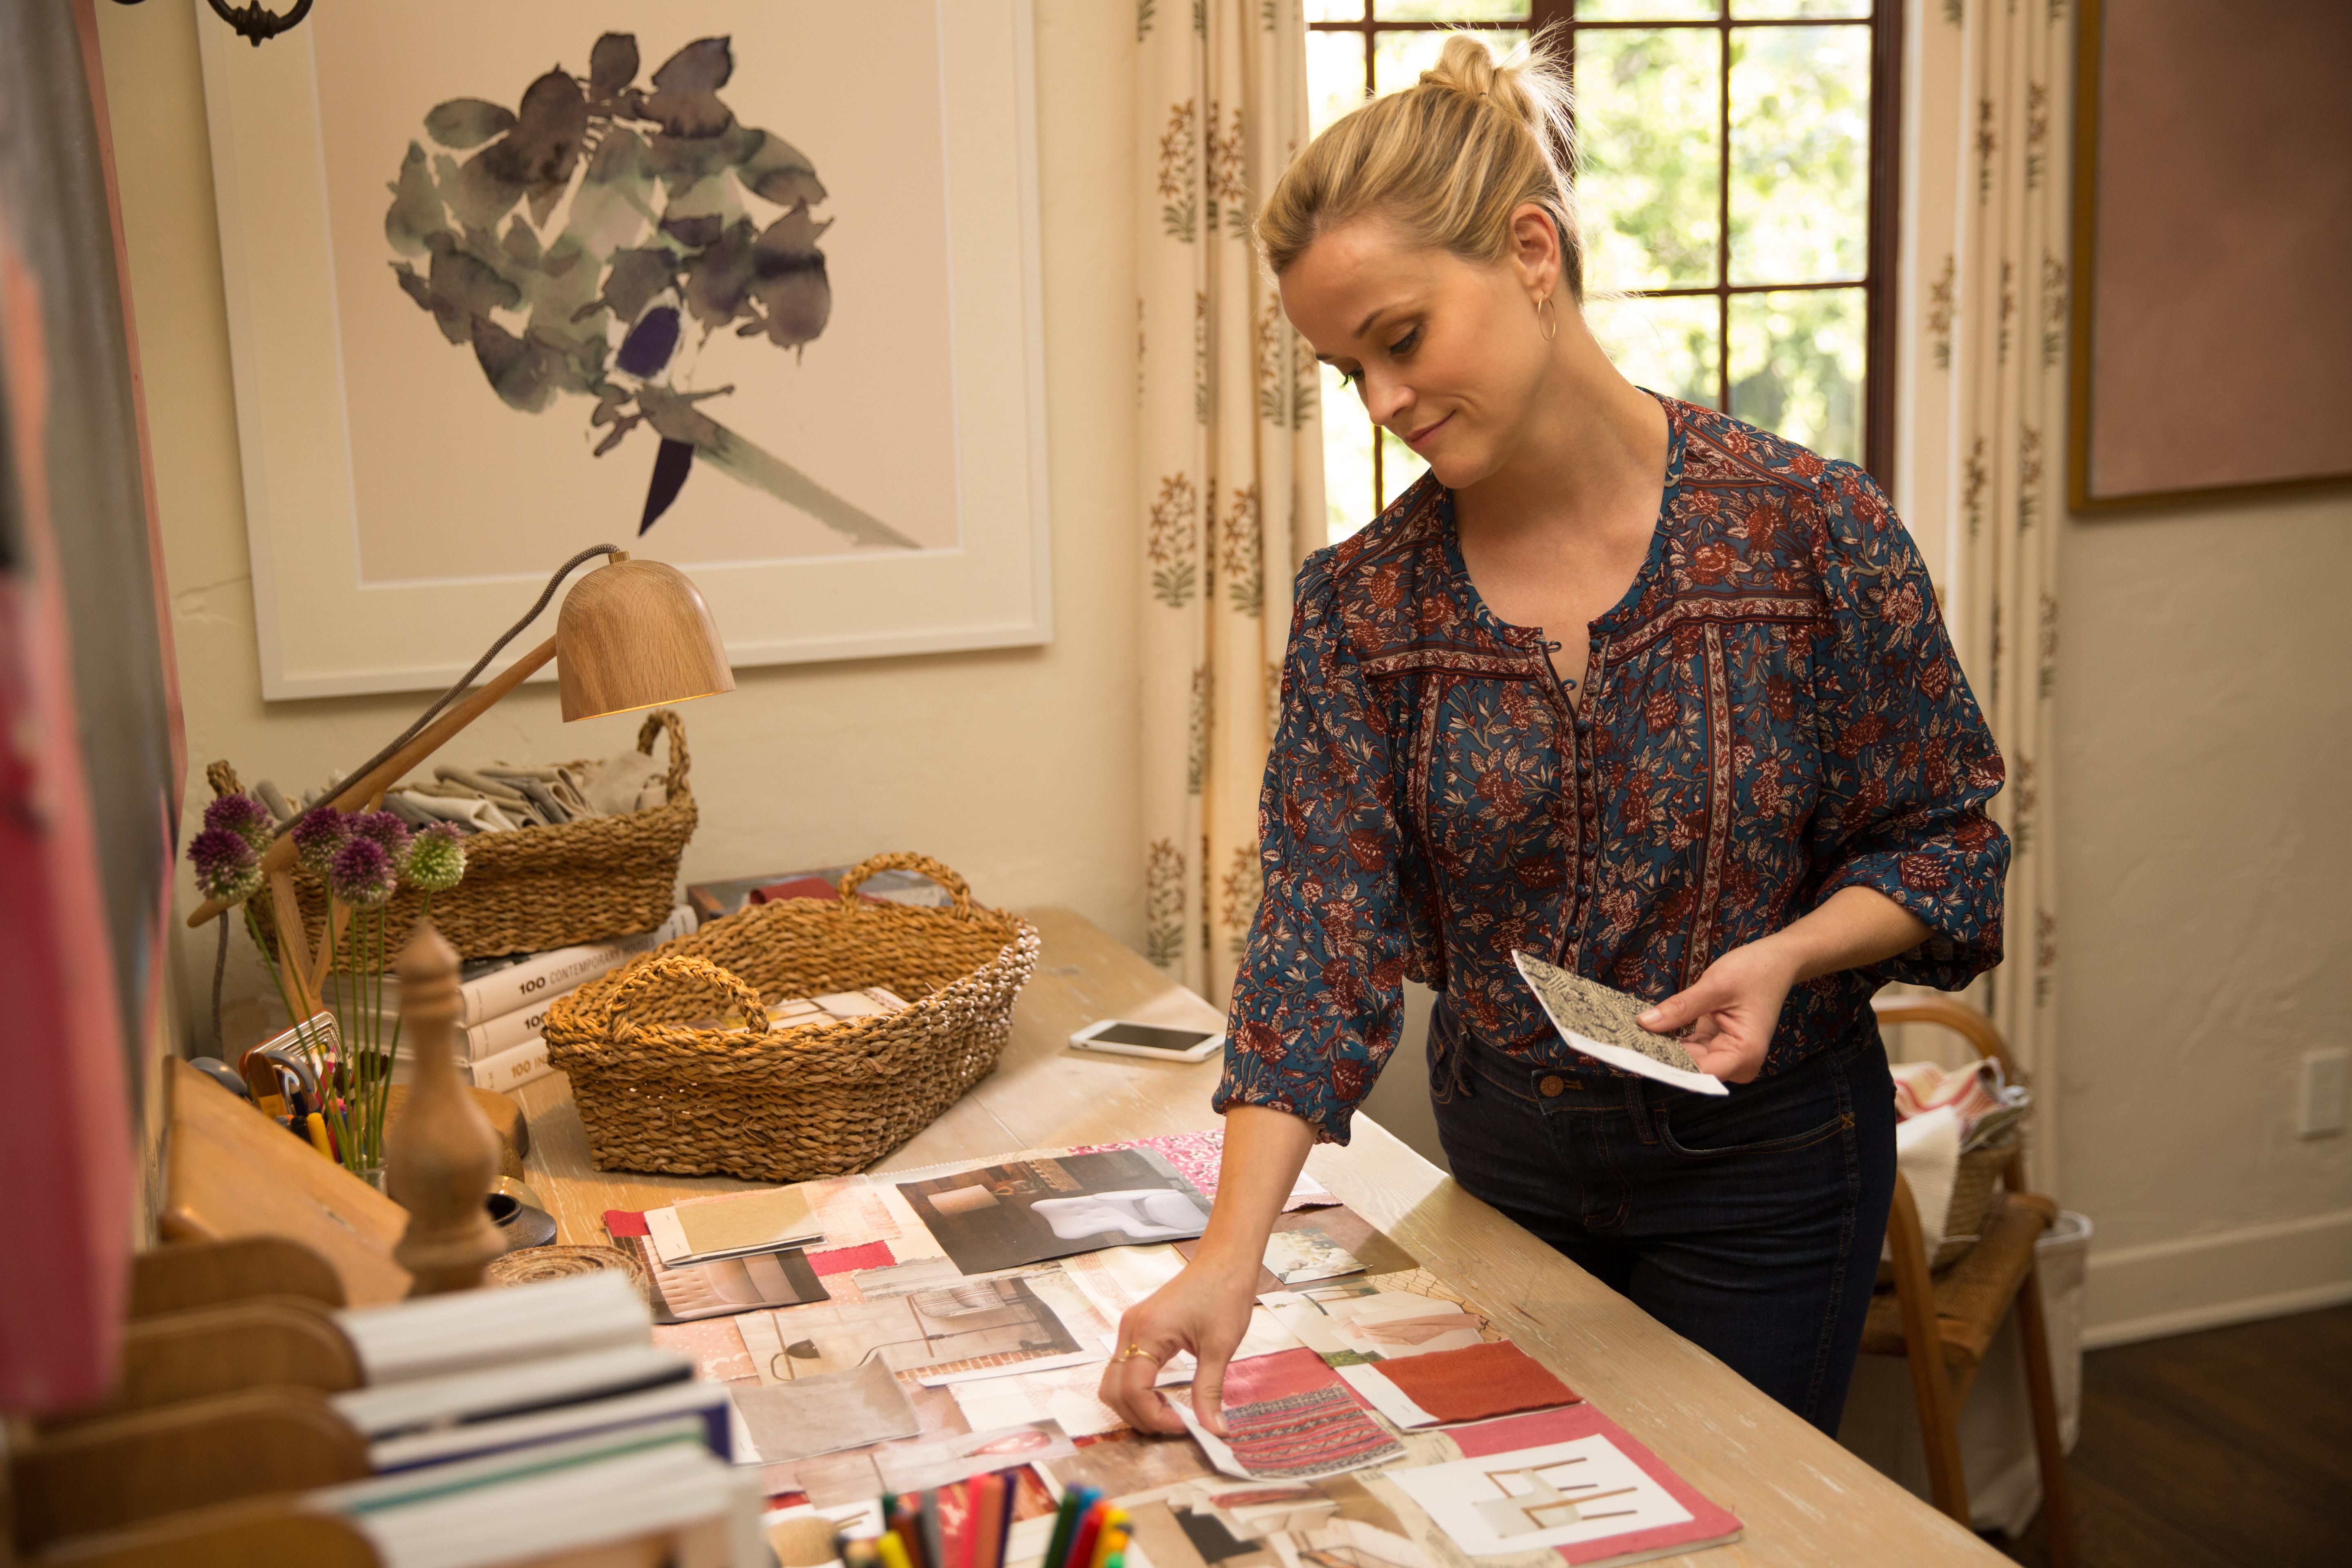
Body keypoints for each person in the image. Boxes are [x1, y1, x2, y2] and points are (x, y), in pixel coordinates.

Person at [1098, 31, 2009, 1441]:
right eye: (1348, 371)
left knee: (1741, 1522)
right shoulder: (1364, 606)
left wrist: (1790, 954)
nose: (1383, 403)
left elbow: (1945, 845)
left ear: (1532, 251)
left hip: (1771, 1172)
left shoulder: (1810, 530)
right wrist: (1229, 1258)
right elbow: (1321, 935)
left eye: (1401, 339)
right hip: (1508, 1163)